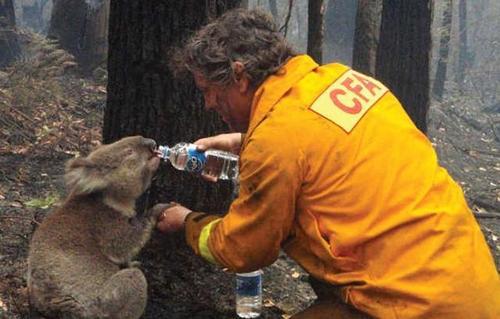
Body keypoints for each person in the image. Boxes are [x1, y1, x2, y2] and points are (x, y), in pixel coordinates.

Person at [156, 8, 500, 319]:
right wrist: (244, 142)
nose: (207, 104)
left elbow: (245, 249)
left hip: (413, 305)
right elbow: (321, 146)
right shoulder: (341, 81)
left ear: (240, 76)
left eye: (208, 90)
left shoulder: (276, 140)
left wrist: (187, 222)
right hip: (471, 286)